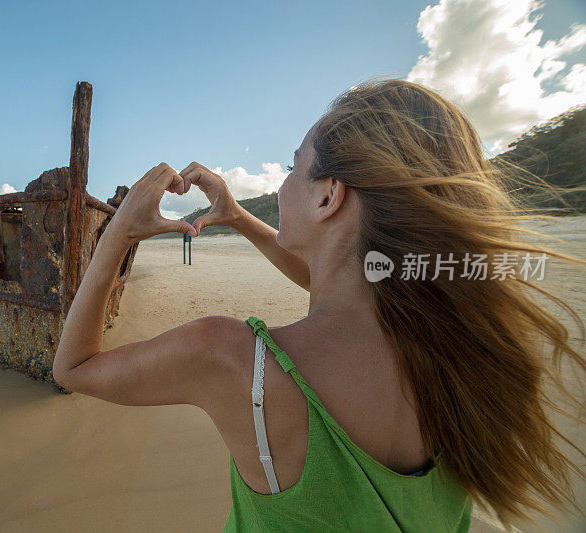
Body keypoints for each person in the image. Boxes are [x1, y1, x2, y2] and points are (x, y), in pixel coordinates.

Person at [52, 78, 586, 532]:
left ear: (329, 195)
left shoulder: (230, 357)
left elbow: (74, 368)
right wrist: (237, 216)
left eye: (292, 167)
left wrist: (115, 235)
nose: (282, 185)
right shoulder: (457, 349)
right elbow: (344, 290)